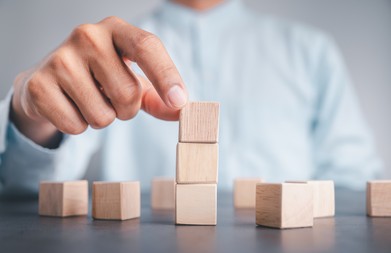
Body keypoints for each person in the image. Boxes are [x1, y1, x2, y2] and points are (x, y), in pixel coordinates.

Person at [0, 0, 382, 195]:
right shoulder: (107, 55)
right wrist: (29, 115)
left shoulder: (311, 51)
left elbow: (353, 183)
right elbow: (24, 187)